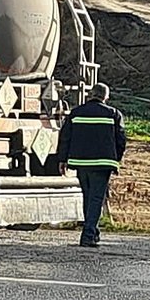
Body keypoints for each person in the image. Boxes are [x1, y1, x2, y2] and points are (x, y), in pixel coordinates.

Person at [56, 82, 126, 248]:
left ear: (90, 94)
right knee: (96, 199)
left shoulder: (76, 113)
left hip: (80, 163)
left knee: (88, 197)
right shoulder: (114, 114)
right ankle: (88, 235)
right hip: (103, 163)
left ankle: (92, 232)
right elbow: (121, 140)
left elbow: (64, 137)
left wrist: (62, 159)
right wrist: (116, 158)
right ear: (105, 97)